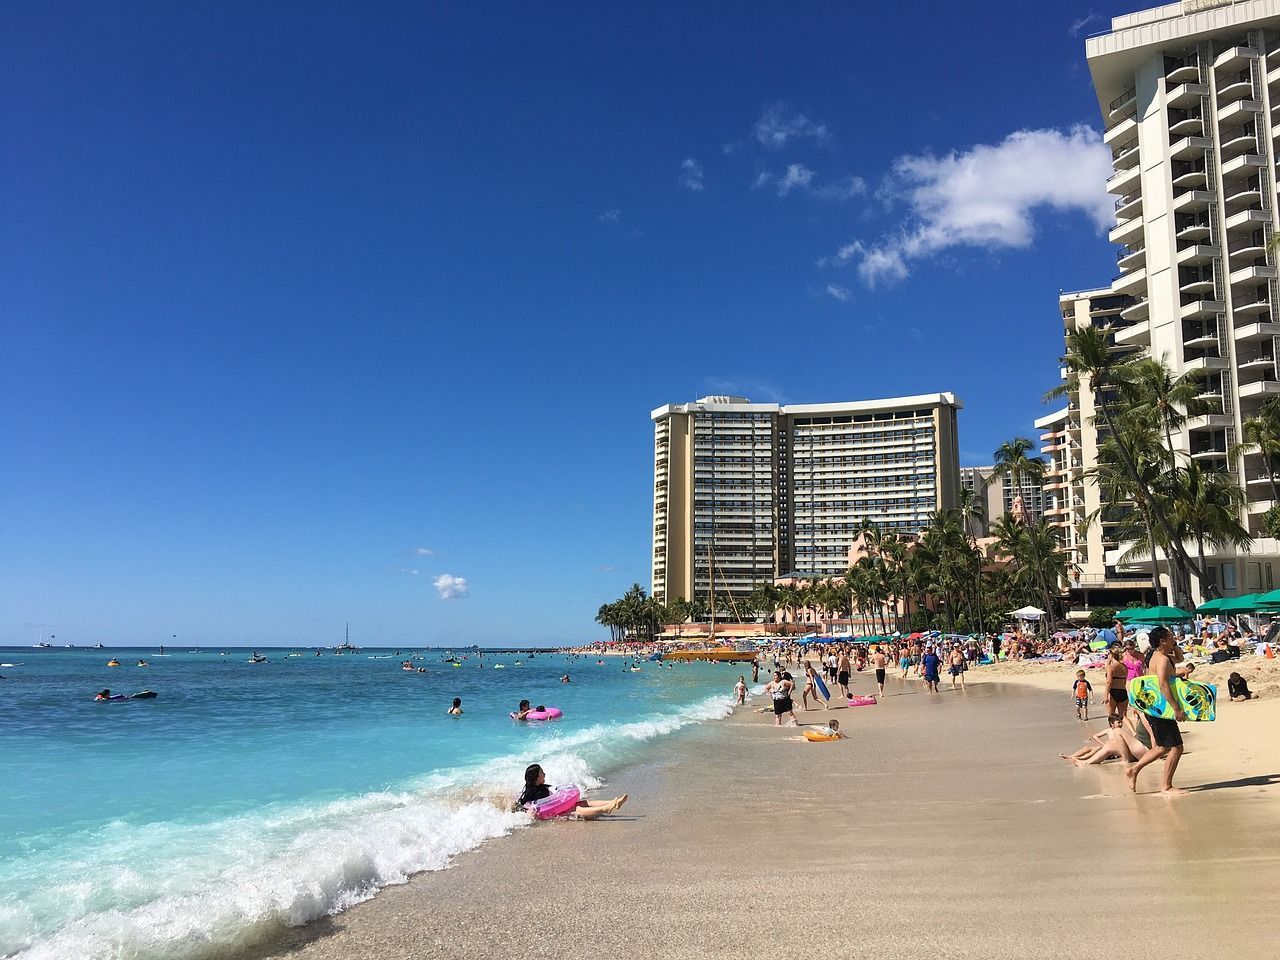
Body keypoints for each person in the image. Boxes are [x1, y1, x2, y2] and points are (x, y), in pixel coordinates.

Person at [1125, 627, 1187, 796]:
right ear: (1162, 641)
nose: (1173, 637)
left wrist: (1174, 645)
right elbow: (1163, 684)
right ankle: (1166, 786)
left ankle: (1134, 770)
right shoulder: (1162, 659)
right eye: (1170, 636)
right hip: (1162, 708)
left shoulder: (1157, 656)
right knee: (1177, 747)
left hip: (1155, 707)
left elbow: (1180, 658)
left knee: (1161, 747)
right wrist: (1176, 708)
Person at [516, 764, 627, 820]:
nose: (545, 774)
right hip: (551, 815)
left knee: (582, 802)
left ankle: (614, 802)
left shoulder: (543, 788)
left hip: (556, 808)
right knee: (575, 809)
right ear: (536, 777)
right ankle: (605, 809)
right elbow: (520, 806)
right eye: (542, 773)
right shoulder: (530, 794)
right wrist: (528, 813)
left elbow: (556, 793)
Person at [1104, 647, 1128, 727]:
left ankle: (1114, 736)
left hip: (1113, 692)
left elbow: (1109, 682)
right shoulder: (1124, 666)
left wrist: (1105, 696)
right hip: (1123, 691)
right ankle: (1130, 732)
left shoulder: (1111, 666)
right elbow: (1125, 681)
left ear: (1111, 655)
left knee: (1111, 717)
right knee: (1123, 717)